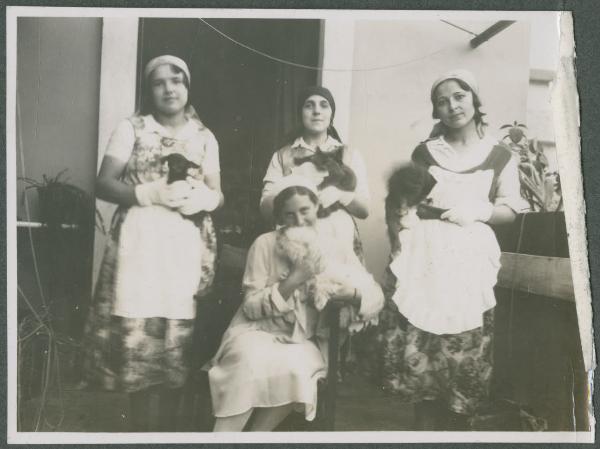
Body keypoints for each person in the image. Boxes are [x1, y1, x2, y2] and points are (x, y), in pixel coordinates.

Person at [376, 69, 528, 430]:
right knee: (422, 352)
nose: (452, 105)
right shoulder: (425, 152)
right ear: (435, 111)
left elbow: (511, 209)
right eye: (442, 101)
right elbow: (404, 201)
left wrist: (480, 211)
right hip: (426, 256)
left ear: (475, 100)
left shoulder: (500, 155)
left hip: (468, 260)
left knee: (462, 355)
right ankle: (423, 432)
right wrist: (403, 232)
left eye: (459, 96)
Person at [81, 55, 223, 431]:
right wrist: (150, 193)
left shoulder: (204, 136)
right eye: (159, 82)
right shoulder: (131, 128)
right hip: (140, 243)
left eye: (177, 80)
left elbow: (217, 192)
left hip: (183, 246)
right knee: (142, 349)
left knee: (177, 346)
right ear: (149, 90)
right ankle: (143, 434)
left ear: (188, 87)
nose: (169, 88)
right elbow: (104, 183)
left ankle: (172, 436)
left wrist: (206, 200)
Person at [208, 175, 383, 432]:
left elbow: (375, 296)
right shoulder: (264, 244)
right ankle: (224, 437)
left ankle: (256, 437)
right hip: (256, 332)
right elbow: (251, 307)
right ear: (278, 217)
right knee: (249, 362)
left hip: (304, 339)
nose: (299, 220)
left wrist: (353, 293)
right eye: (289, 215)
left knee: (297, 369)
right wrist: (295, 278)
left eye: (305, 211)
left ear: (317, 208)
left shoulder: (334, 246)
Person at [260, 86, 370, 255]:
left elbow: (364, 210)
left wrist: (341, 195)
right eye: (309, 105)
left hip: (338, 239)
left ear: (331, 113)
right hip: (295, 241)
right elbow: (265, 210)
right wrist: (290, 184)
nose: (317, 111)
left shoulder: (349, 155)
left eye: (324, 105)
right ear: (300, 112)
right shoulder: (283, 156)